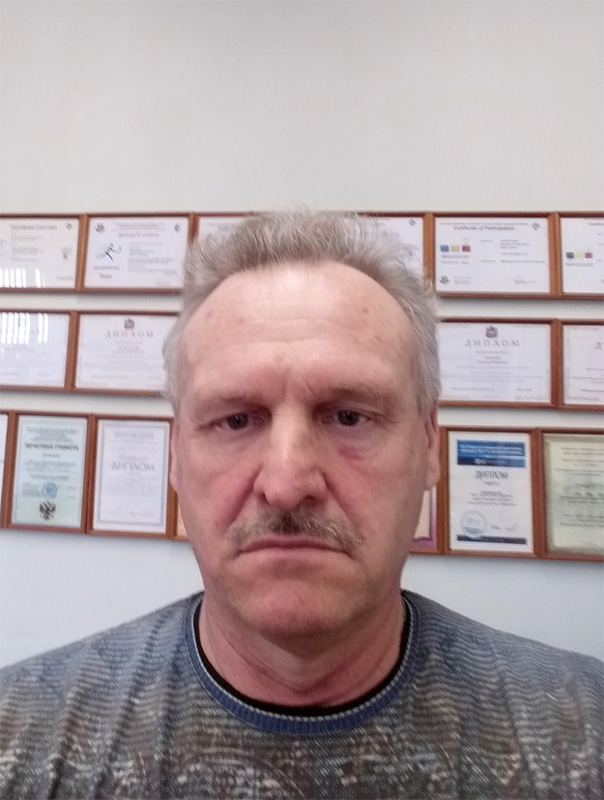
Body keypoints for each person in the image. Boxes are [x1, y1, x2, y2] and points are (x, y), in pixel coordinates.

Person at [1, 211, 602, 799]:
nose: (287, 484)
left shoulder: (584, 731)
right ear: (176, 456)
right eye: (236, 420)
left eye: (349, 416)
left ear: (428, 446)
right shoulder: (19, 735)